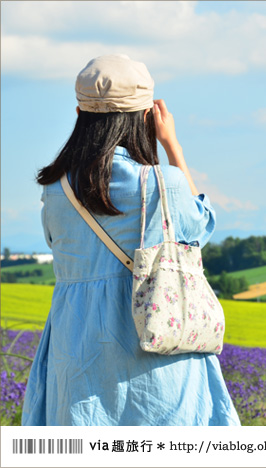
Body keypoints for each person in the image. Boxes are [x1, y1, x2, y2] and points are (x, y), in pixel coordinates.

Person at [22, 54, 240, 425]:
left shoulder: (55, 189)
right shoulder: (161, 183)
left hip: (74, 350)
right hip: (153, 350)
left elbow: (54, 241)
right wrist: (174, 148)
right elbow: (200, 226)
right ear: (145, 119)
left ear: (80, 116)